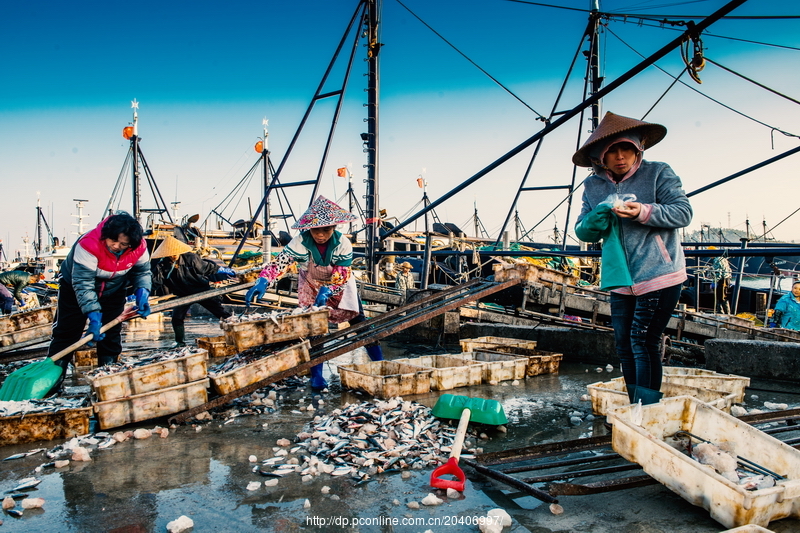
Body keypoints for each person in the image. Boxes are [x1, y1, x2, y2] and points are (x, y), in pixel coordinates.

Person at [573, 112, 692, 405]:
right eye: (611, 151)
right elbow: (583, 231)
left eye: (625, 148)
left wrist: (642, 211)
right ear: (600, 157)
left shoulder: (658, 173)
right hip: (619, 278)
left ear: (638, 148)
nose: (620, 156)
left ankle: (647, 410)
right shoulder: (593, 186)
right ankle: (634, 406)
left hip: (659, 273)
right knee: (625, 346)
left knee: (643, 340)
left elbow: (682, 212)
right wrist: (596, 218)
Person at [245, 195, 384, 390]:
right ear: (309, 228)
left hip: (340, 283)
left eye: (326, 229)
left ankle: (380, 364)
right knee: (314, 328)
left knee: (360, 323)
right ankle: (316, 376)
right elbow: (281, 262)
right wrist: (263, 280)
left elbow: (342, 276)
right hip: (310, 283)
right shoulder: (299, 241)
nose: (320, 234)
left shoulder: (343, 243)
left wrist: (328, 290)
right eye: (316, 229)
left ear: (334, 227)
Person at [48, 212, 152, 389]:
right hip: (75, 288)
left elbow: (141, 272)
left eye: (123, 244)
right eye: (113, 241)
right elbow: (83, 284)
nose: (116, 246)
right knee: (67, 333)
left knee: (111, 335)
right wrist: (94, 318)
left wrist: (143, 292)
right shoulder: (88, 244)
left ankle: (106, 380)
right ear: (106, 235)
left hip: (114, 290)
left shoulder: (139, 247)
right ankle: (52, 382)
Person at [150, 235, 236, 347]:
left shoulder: (191, 258)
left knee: (221, 313)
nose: (173, 255)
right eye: (170, 254)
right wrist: (145, 290)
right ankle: (179, 343)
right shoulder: (162, 266)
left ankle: (235, 335)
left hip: (201, 290)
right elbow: (156, 282)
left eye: (175, 252)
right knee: (176, 318)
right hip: (182, 294)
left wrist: (222, 270)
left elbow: (206, 267)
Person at [709, 248, 732, 314]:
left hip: (722, 280)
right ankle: (725, 312)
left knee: (720, 296)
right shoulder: (723, 258)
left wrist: (714, 282)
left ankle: (722, 312)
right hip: (727, 279)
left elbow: (718, 273)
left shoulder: (717, 260)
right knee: (723, 296)